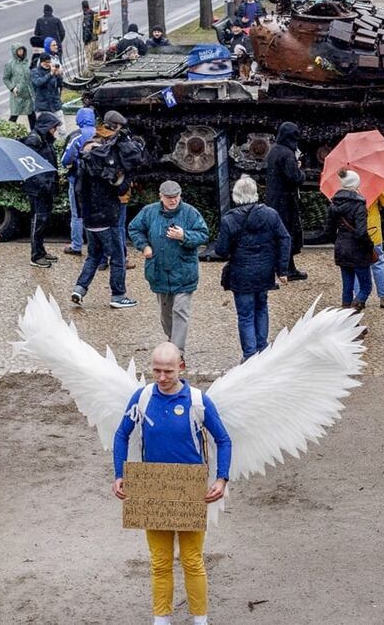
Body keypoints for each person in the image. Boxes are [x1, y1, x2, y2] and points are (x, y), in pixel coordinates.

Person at [112, 343, 231, 625]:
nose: (162, 377)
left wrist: (221, 477)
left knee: (192, 560)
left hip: (190, 491)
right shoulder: (141, 398)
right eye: (156, 371)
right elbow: (121, 434)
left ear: (182, 367)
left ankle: (200, 619)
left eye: (167, 371)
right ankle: (161, 618)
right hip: (153, 488)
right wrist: (119, 474)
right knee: (160, 561)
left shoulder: (198, 401)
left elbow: (223, 439)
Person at [215, 176, 290, 360]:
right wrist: (282, 270)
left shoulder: (229, 220)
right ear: (255, 193)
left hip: (241, 272)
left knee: (246, 314)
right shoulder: (270, 214)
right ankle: (262, 349)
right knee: (261, 308)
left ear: (235, 195)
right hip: (264, 270)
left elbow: (222, 251)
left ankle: (249, 355)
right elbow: (285, 238)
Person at [128, 182, 209, 353]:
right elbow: (134, 228)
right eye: (169, 198)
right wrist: (144, 246)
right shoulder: (149, 212)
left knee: (180, 310)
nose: (173, 201)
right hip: (159, 271)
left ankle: (177, 353)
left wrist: (184, 236)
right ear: (161, 196)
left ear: (180, 195)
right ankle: (172, 340)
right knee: (166, 314)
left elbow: (203, 234)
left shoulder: (190, 213)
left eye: (176, 197)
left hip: (184, 272)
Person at [72, 110, 140, 309]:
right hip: (107, 215)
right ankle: (118, 296)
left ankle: (79, 289)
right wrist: (125, 178)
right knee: (117, 257)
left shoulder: (88, 149)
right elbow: (118, 186)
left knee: (93, 255)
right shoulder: (109, 154)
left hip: (89, 217)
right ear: (116, 127)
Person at [264, 122, 308, 280]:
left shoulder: (274, 150)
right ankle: (286, 269)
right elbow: (294, 177)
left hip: (274, 197)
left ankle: (285, 267)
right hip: (286, 200)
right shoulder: (287, 153)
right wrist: (301, 172)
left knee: (280, 233)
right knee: (287, 233)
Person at [327, 170, 374, 312]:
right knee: (366, 287)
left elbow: (329, 230)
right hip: (358, 249)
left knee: (347, 286)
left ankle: (346, 320)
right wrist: (369, 245)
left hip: (342, 247)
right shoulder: (359, 204)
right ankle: (352, 314)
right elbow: (361, 232)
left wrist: (339, 241)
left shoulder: (333, 204)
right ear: (356, 184)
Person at [21, 112, 61, 268]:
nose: (55, 131)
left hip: (46, 187)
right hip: (39, 190)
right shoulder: (34, 141)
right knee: (38, 220)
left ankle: (41, 251)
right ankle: (36, 255)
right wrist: (44, 184)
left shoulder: (44, 139)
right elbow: (30, 167)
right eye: (54, 128)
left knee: (43, 221)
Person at [354, 181, 384, 309]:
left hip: (356, 231)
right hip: (373, 231)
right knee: (378, 263)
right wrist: (381, 188)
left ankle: (359, 298)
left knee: (358, 266)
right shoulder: (373, 183)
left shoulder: (350, 187)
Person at [60, 107, 98, 256]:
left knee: (77, 214)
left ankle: (76, 245)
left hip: (78, 180)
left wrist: (71, 166)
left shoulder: (76, 136)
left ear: (78, 119)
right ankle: (96, 247)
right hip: (98, 181)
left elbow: (66, 159)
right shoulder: (100, 133)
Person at [3, 43, 36, 129]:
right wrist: (12, 88)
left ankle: (34, 132)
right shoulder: (10, 64)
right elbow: (6, 78)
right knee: (14, 115)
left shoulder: (26, 62)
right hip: (17, 94)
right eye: (19, 50)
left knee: (31, 114)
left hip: (28, 93)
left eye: (22, 50)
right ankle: (8, 130)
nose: (21, 52)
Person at [31, 52, 64, 126]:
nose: (48, 64)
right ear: (41, 62)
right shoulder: (35, 72)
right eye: (46, 62)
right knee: (45, 130)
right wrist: (50, 74)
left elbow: (60, 85)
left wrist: (58, 75)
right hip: (42, 106)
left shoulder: (52, 71)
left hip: (55, 104)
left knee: (62, 129)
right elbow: (38, 82)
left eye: (49, 62)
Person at [81, 0, 99, 72]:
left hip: (90, 41)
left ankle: (92, 75)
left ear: (83, 7)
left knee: (90, 60)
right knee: (96, 59)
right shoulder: (94, 14)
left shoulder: (87, 16)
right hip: (95, 39)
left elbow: (87, 30)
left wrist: (85, 41)